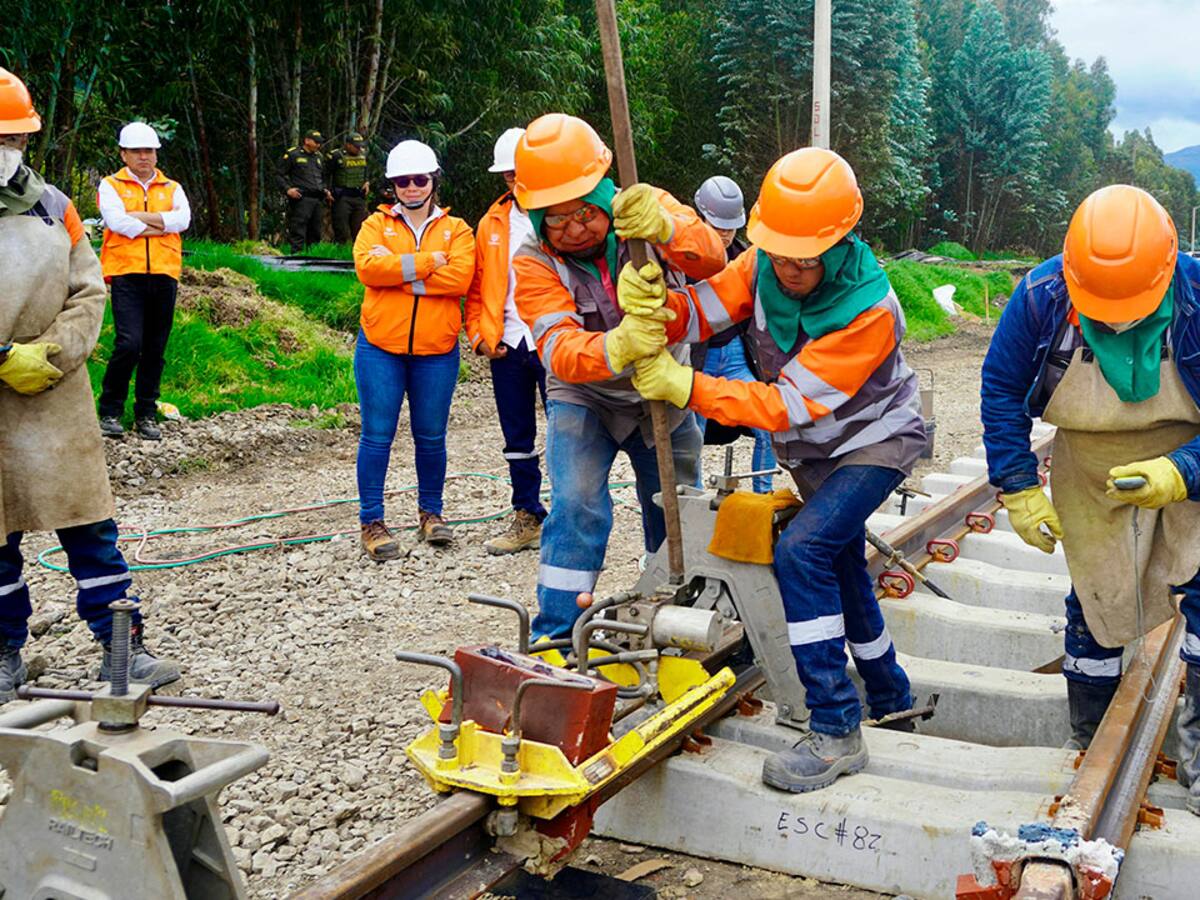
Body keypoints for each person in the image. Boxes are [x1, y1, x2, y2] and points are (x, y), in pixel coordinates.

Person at [628, 147, 921, 792]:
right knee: (838, 561)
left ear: (840, 241)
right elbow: (707, 307)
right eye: (779, 251)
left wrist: (686, 385)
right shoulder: (764, 260)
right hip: (814, 451)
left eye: (804, 257)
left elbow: (784, 403)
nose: (788, 267)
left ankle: (837, 727)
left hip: (874, 442)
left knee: (802, 550)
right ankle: (890, 693)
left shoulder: (869, 309)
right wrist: (660, 310)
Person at [981, 185, 1200, 812]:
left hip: (1188, 464)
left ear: (1167, 269)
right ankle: (1092, 738)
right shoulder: (1041, 298)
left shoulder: (1198, 296)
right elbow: (1000, 390)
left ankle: (1199, 749)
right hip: (1088, 467)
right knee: (1096, 596)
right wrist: (1019, 486)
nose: (1114, 317)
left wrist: (1181, 471)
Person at [0, 69, 179, 703]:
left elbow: (88, 291)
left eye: (15, 138)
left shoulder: (54, 206)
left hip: (54, 392)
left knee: (89, 525)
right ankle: (4, 656)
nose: (8, 151)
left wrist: (50, 353)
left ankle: (121, 648)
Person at [510, 113, 725, 639]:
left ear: (604, 193)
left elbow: (715, 262)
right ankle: (559, 630)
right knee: (576, 502)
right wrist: (619, 345)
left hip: (663, 387)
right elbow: (559, 350)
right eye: (555, 219)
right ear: (535, 217)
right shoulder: (533, 260)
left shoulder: (645, 210)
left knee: (676, 507)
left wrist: (668, 229)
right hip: (585, 396)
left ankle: (677, 618)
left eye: (584, 211)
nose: (574, 227)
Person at [352, 139, 475, 558]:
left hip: (436, 350)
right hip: (380, 347)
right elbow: (367, 269)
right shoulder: (375, 225)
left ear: (432, 181)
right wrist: (427, 262)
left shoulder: (457, 230)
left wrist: (400, 270)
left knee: (431, 437)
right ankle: (372, 521)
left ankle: (432, 514)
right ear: (393, 185)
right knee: (376, 436)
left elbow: (460, 280)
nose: (411, 187)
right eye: (402, 181)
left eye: (418, 179)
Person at [466, 128, 549, 555]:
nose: (514, 182)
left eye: (522, 173)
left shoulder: (560, 216)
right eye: (508, 176)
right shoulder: (491, 223)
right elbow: (477, 288)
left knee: (572, 434)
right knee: (517, 437)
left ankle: (573, 518)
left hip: (554, 340)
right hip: (509, 344)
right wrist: (480, 336)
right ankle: (528, 514)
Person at [96, 122, 191, 440]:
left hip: (164, 274)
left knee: (155, 347)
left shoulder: (172, 187)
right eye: (136, 151)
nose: (143, 157)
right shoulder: (110, 185)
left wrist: (138, 219)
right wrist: (163, 224)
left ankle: (146, 412)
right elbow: (116, 222)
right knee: (128, 344)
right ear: (123, 154)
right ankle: (110, 409)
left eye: (148, 151)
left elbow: (184, 220)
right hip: (127, 273)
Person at [690, 175, 777, 493]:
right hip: (699, 360)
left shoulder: (746, 257)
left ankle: (763, 493)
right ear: (701, 217)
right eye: (718, 227)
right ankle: (695, 499)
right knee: (691, 436)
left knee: (767, 424)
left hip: (737, 355)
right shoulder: (680, 257)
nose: (725, 234)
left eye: (730, 227)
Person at [277, 129, 331, 252]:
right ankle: (296, 257)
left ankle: (313, 257)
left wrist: (325, 189)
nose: (318, 145)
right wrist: (287, 189)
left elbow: (322, 177)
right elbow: (279, 175)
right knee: (298, 229)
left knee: (316, 230)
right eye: (316, 142)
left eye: (320, 142)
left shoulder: (319, 157)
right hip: (301, 198)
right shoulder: (293, 154)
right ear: (307, 141)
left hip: (317, 199)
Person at [328, 132, 370, 243]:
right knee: (341, 228)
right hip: (342, 196)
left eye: (360, 146)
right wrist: (327, 191)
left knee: (360, 229)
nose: (358, 149)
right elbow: (326, 174)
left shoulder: (363, 155)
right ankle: (339, 254)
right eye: (356, 146)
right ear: (348, 144)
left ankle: (357, 253)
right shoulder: (336, 155)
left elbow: (366, 171)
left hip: (359, 196)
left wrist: (367, 182)